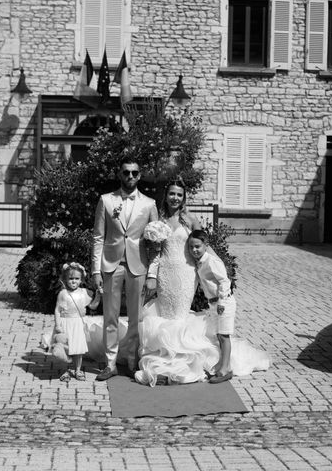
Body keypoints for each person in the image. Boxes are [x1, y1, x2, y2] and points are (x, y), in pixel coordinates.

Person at [134, 178, 220, 386]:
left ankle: (183, 364)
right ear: (166, 196)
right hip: (165, 273)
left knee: (180, 315)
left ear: (184, 198)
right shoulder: (158, 219)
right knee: (166, 315)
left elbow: (203, 247)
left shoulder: (189, 219)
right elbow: (155, 252)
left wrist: (217, 269)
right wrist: (152, 276)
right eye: (172, 193)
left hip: (185, 274)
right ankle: (164, 360)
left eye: (179, 195)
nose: (175, 198)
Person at [91, 156, 159, 381]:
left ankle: (131, 359)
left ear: (140, 175)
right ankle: (110, 364)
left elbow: (156, 244)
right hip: (111, 266)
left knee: (136, 318)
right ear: (119, 174)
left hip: (138, 266)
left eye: (134, 173)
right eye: (126, 172)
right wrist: (95, 270)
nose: (130, 176)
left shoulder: (149, 204)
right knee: (109, 316)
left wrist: (152, 274)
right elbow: (98, 237)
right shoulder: (106, 200)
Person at [189, 229, 236, 383]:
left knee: (224, 335)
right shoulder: (200, 262)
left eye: (197, 246)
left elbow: (224, 280)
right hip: (213, 303)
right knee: (219, 335)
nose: (194, 250)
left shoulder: (212, 261)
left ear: (206, 245)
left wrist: (222, 301)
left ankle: (225, 369)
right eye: (191, 247)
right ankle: (222, 364)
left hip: (224, 302)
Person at [43, 262, 101, 382]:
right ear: (65, 279)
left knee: (78, 349)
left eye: (77, 279)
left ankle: (78, 369)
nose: (73, 281)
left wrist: (98, 297)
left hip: (78, 324)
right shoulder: (63, 294)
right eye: (70, 278)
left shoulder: (84, 293)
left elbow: (93, 306)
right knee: (65, 348)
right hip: (65, 323)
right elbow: (58, 310)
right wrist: (58, 325)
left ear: (81, 280)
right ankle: (65, 370)